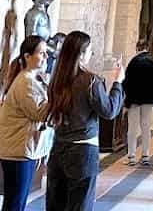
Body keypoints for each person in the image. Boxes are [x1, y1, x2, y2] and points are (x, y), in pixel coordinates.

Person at [45, 31, 124, 211]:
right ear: (80, 54)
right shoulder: (90, 81)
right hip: (82, 151)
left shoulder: (57, 80)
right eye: (89, 50)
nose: (91, 54)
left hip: (58, 148)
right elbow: (109, 111)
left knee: (55, 205)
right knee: (80, 205)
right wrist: (117, 83)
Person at [0, 35, 51, 211]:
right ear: (27, 56)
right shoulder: (26, 82)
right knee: (15, 202)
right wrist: (58, 98)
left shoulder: (31, 79)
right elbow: (39, 113)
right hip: (18, 149)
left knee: (16, 200)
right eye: (41, 53)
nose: (46, 57)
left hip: (21, 147)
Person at [122, 39, 153, 166]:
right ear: (147, 48)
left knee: (132, 128)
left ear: (137, 48)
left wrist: (126, 101)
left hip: (134, 99)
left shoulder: (133, 62)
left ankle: (131, 156)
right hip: (148, 100)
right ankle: (145, 155)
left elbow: (127, 82)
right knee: (146, 126)